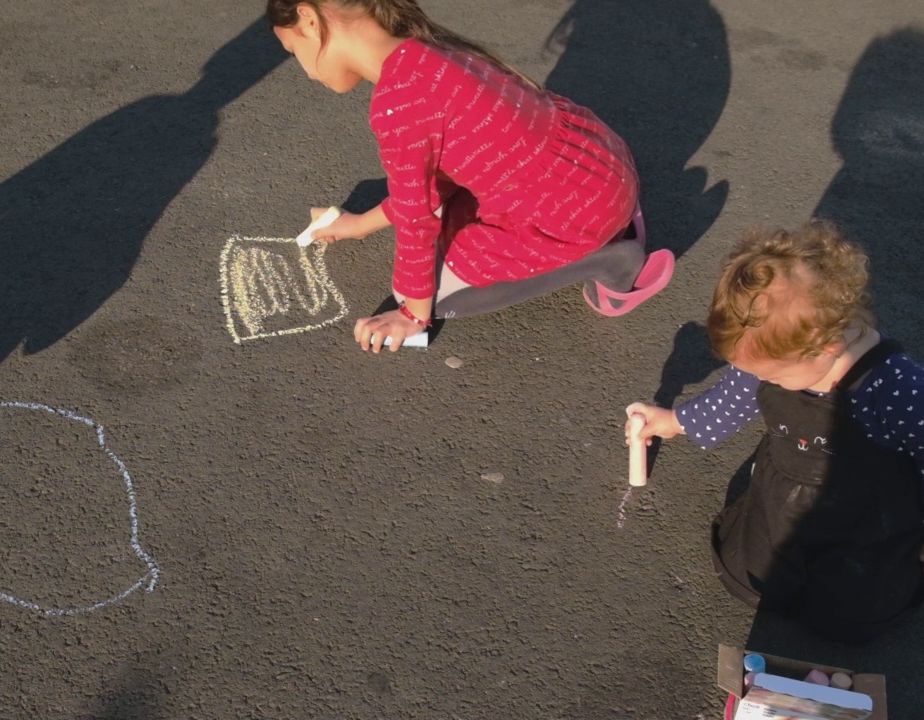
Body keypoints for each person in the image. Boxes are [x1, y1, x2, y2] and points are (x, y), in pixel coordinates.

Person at [268, 0, 674, 352]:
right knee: (448, 231)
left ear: (308, 20)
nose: (305, 71)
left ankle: (612, 263)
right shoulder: (427, 50)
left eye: (293, 50)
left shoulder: (397, 101)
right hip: (598, 167)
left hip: (572, 211)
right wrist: (359, 225)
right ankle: (607, 222)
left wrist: (413, 314)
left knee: (429, 292)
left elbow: (416, 216)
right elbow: (432, 185)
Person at [626, 221, 924, 643]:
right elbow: (733, 398)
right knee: (750, 577)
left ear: (825, 348)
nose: (757, 381)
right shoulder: (777, 349)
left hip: (868, 518)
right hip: (785, 492)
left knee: (854, 615)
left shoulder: (898, 388)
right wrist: (675, 422)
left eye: (770, 376)